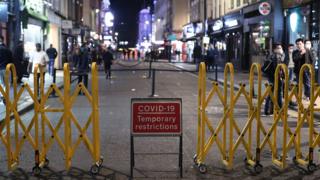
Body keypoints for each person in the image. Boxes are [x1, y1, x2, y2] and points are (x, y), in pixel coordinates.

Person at [264, 43, 284, 115]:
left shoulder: (272, 56)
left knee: (271, 93)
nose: (280, 49)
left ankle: (268, 110)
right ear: (275, 49)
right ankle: (280, 109)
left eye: (281, 48)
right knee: (277, 93)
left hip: (271, 77)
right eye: (278, 48)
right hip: (274, 77)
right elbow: (277, 69)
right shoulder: (275, 56)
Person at [0, 35, 13, 105]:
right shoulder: (7, 49)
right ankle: (5, 97)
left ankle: (2, 96)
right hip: (6, 68)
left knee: (1, 83)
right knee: (7, 83)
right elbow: (11, 59)